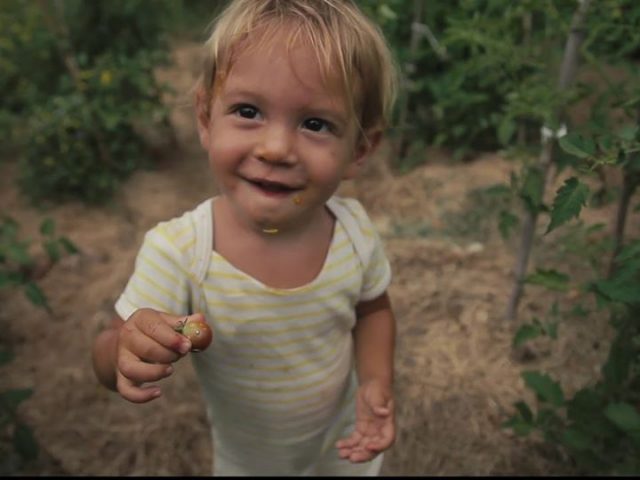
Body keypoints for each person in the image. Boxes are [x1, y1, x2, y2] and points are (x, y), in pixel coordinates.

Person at [92, 0, 398, 475]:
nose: (275, 149)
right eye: (248, 110)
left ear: (359, 150)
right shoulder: (183, 251)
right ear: (205, 118)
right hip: (249, 463)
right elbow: (108, 347)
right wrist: (125, 350)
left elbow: (373, 308)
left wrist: (376, 382)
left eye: (315, 124)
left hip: (343, 449)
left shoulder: (354, 232)